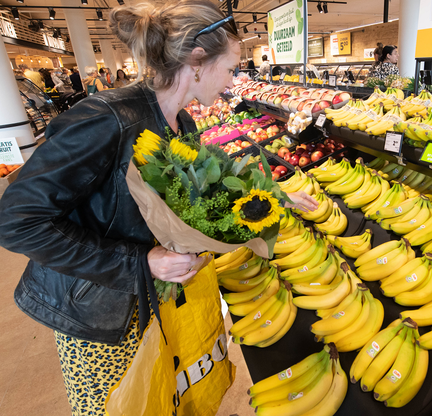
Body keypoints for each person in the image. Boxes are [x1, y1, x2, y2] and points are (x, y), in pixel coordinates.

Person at [0, 1, 316, 415]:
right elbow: (17, 220)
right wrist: (142, 261)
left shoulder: (182, 123)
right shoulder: (106, 118)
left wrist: (273, 197)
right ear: (197, 61)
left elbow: (196, 193)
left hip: (151, 300)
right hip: (100, 315)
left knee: (165, 399)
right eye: (231, 68)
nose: (233, 81)